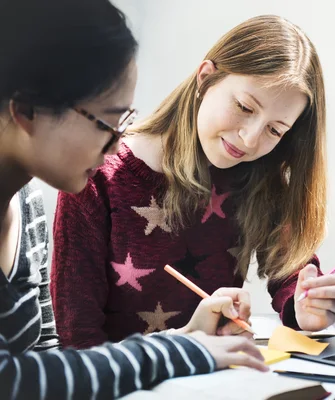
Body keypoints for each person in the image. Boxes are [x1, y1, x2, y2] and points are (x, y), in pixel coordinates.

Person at [0, 0, 267, 397]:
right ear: (26, 109)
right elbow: (12, 380)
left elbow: (49, 360)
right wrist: (176, 351)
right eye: (107, 122)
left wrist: (189, 334)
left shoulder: (28, 207)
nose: (116, 147)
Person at [51, 14, 335, 349]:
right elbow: (78, 340)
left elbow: (291, 271)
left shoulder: (258, 172)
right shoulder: (97, 175)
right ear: (205, 78)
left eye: (275, 130)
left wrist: (304, 305)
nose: (250, 139)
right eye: (244, 107)